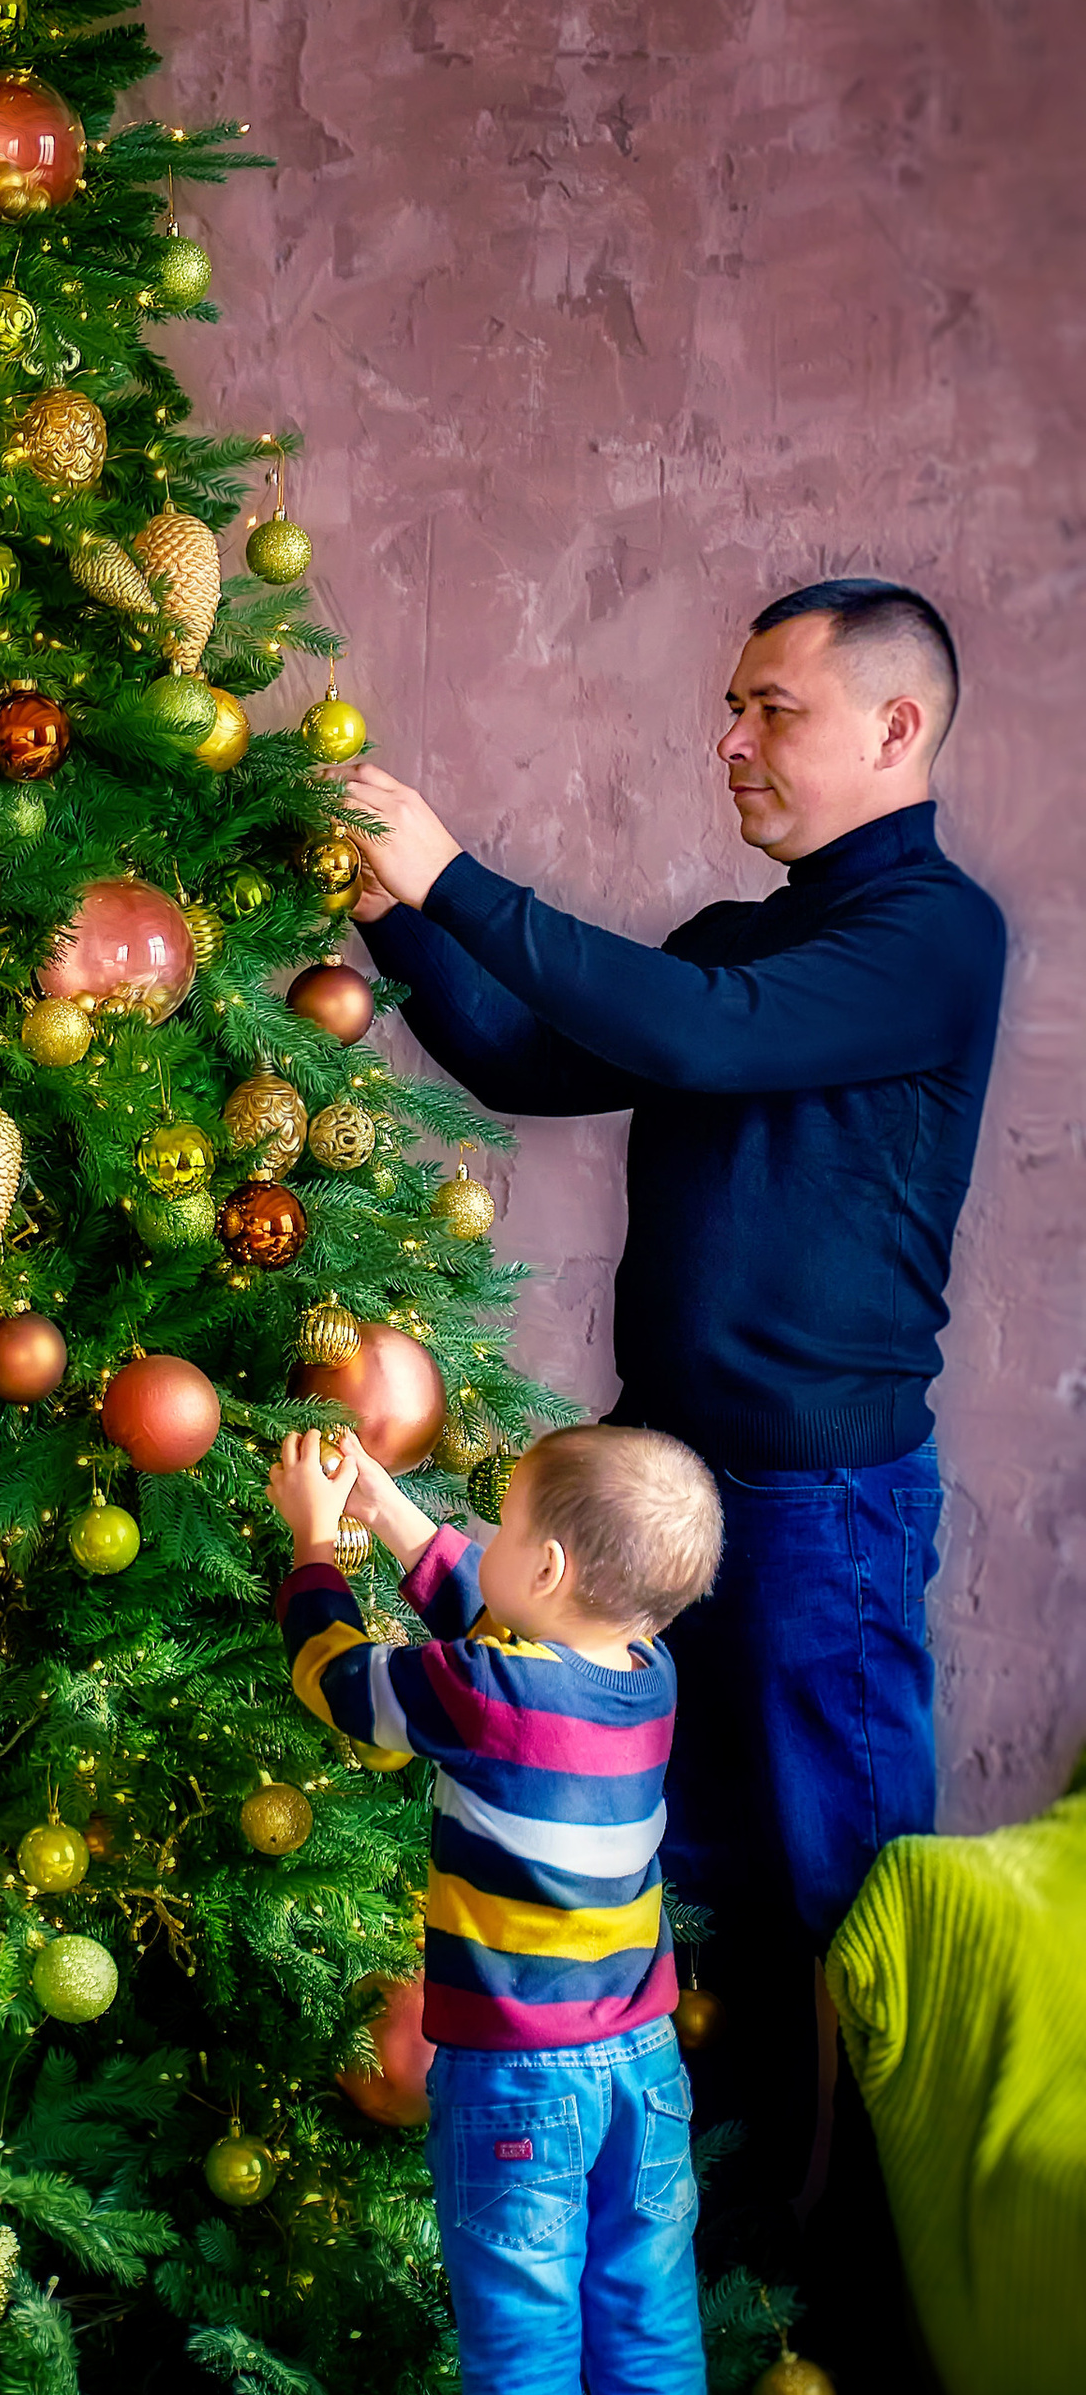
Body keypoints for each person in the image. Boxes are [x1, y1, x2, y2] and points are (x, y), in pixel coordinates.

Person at [340, 582, 1004, 2272]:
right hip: (666, 1490)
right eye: (733, 704)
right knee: (675, 1878)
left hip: (820, 1506)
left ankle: (881, 2303)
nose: (731, 740)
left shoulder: (934, 935)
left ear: (895, 729)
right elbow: (528, 1060)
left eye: (772, 708)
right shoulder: (742, 938)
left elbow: (697, 1034)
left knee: (844, 1902)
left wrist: (456, 875)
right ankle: (720, 2281)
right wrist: (398, 918)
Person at [267, 1417, 725, 2395]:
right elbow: (500, 1605)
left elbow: (342, 1684)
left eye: (506, 1530)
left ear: (552, 1570)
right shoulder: (643, 1672)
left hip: (519, 2082)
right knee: (646, 2331)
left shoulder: (484, 1691)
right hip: (643, 2070)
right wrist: (389, 1509)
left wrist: (317, 1545)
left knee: (523, 2350)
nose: (486, 1545)